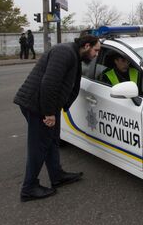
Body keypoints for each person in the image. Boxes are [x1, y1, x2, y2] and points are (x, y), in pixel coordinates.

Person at [14, 34, 101, 202]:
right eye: (96, 50)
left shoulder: (73, 54)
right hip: (37, 106)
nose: (96, 55)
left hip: (45, 105)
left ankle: (57, 176)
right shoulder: (65, 52)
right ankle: (29, 188)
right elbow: (49, 83)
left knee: (52, 141)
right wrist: (49, 113)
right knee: (38, 147)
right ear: (87, 46)